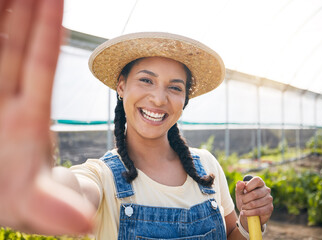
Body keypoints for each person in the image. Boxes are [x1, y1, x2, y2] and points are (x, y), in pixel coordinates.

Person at [0, 0, 273, 239]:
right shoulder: (102, 177)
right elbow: (73, 189)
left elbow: (229, 236)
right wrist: (31, 184)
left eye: (175, 87)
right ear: (121, 86)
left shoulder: (206, 166)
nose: (158, 98)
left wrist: (250, 223)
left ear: (184, 101)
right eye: (146, 80)